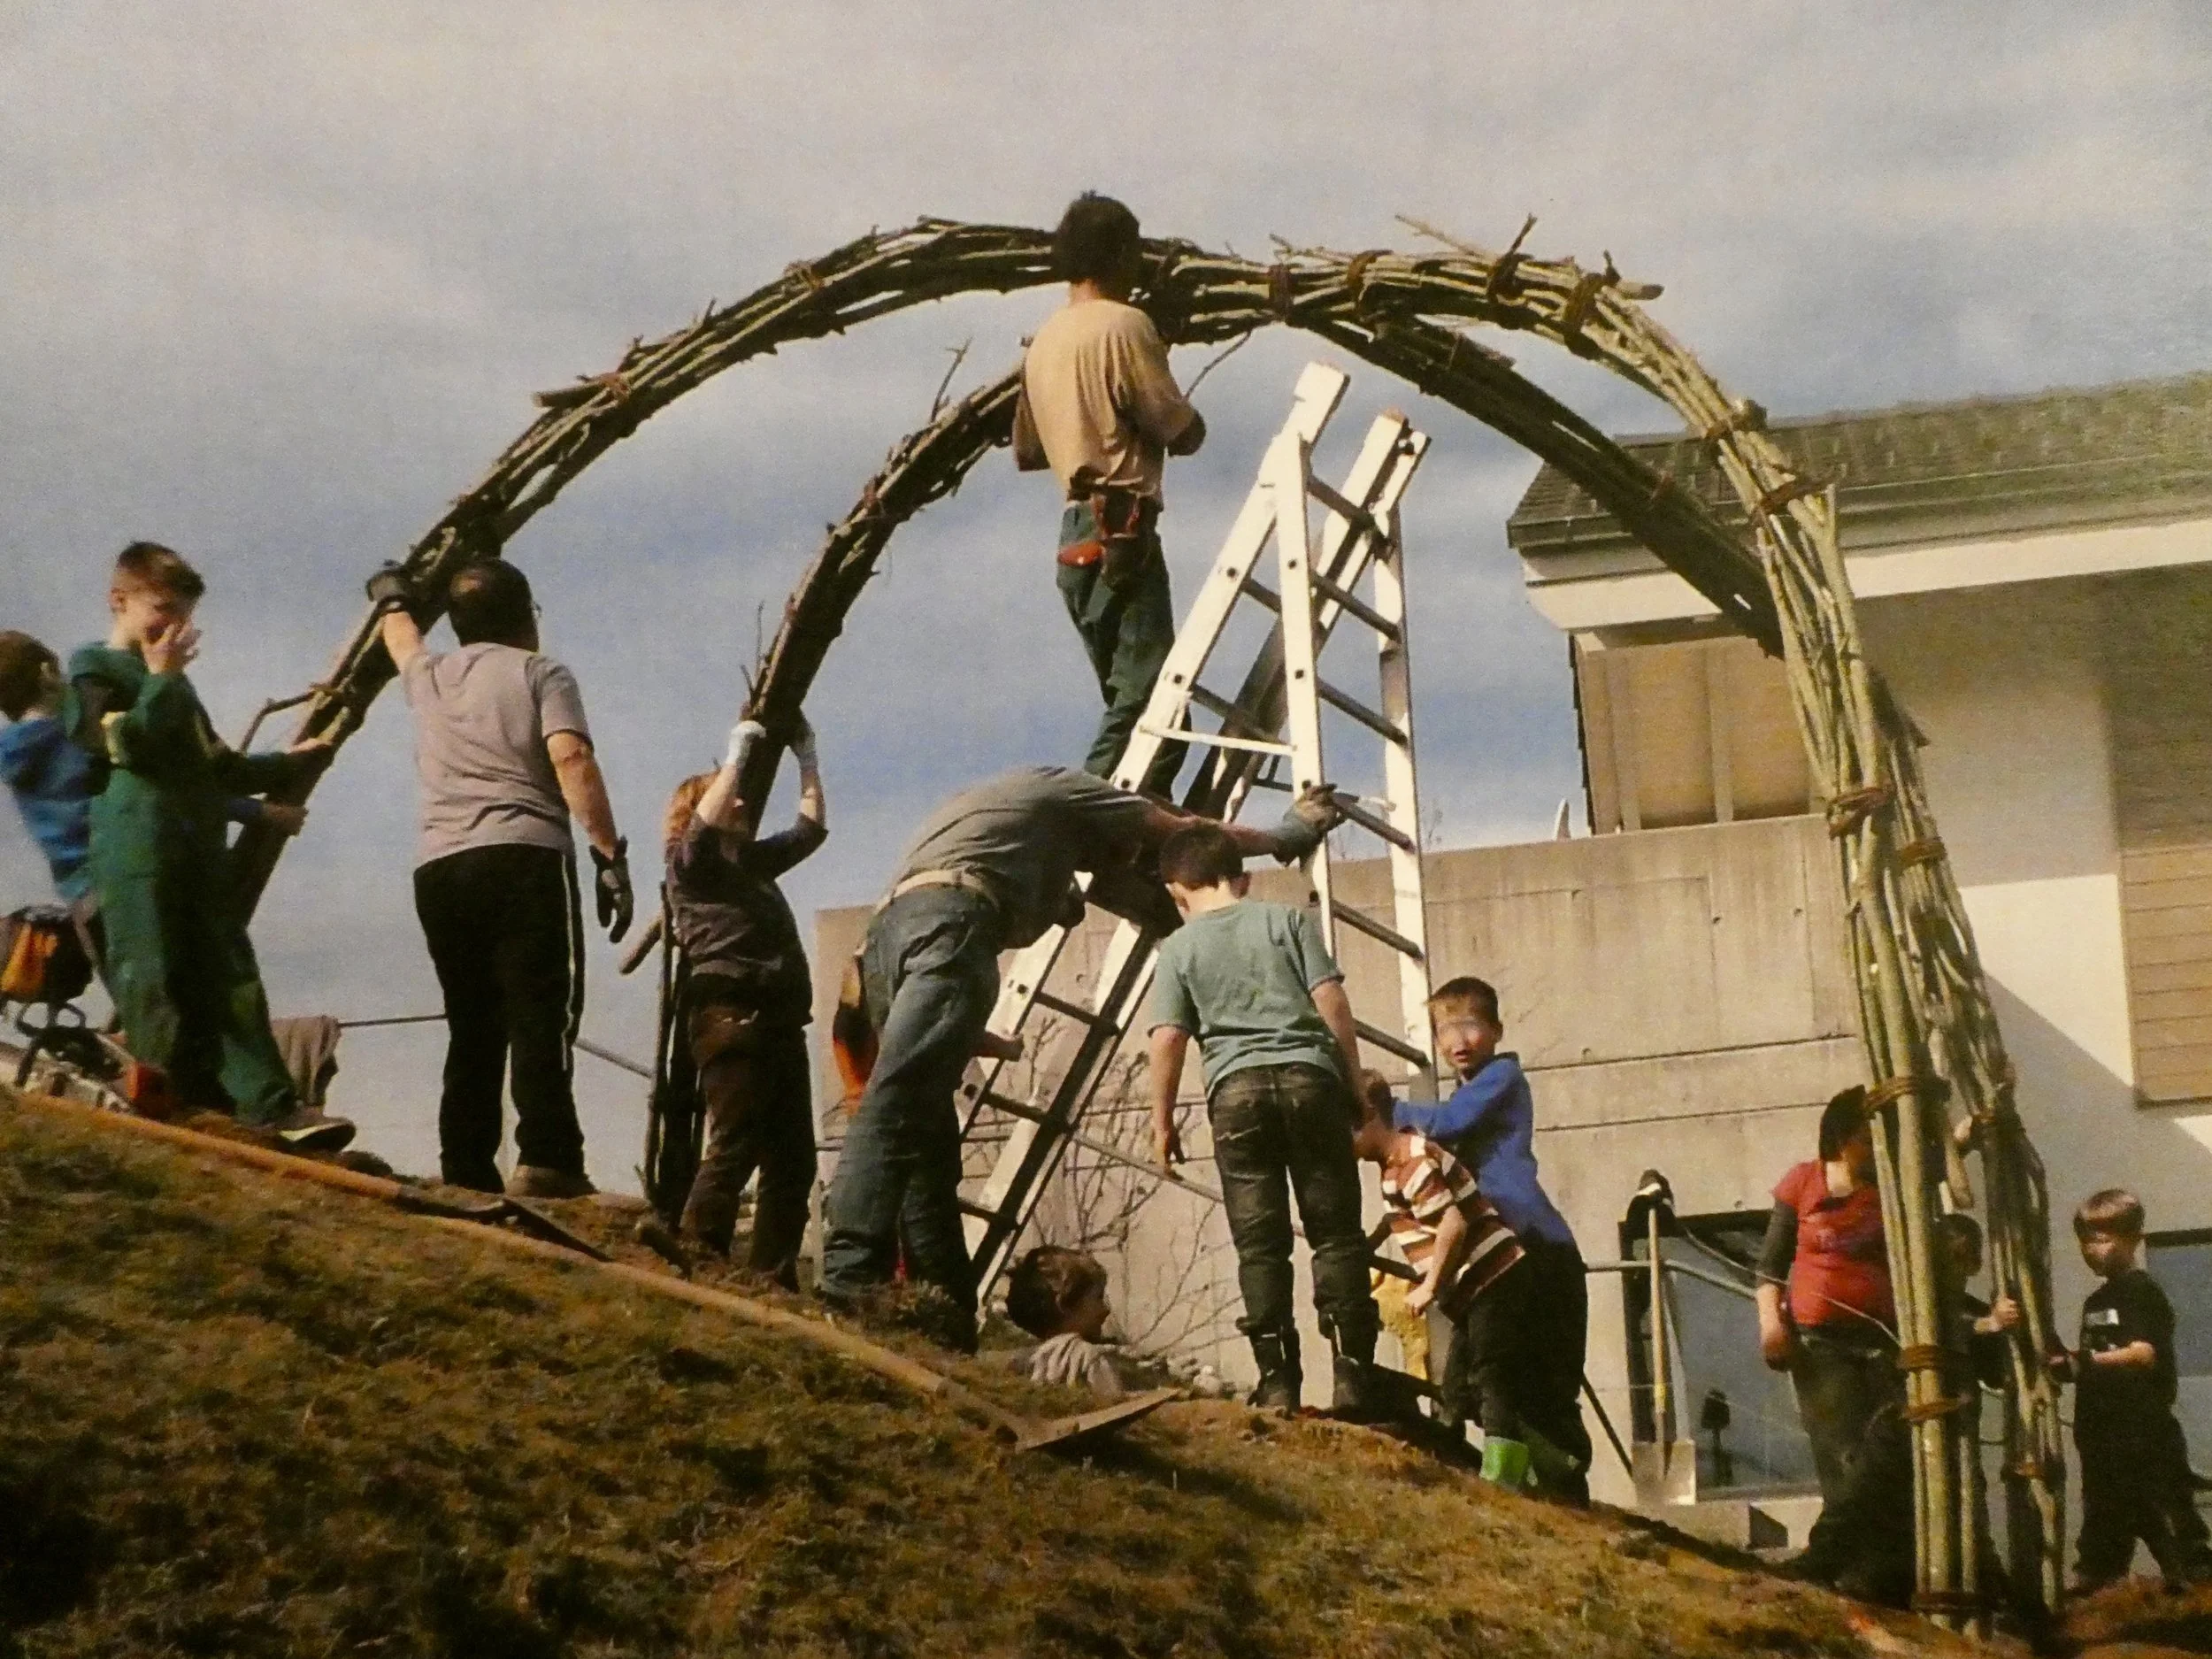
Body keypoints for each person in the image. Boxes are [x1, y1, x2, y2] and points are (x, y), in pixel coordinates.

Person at [819, 764, 1340, 1349]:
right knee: (895, 1106)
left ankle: (945, 1323)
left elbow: (932, 988)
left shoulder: (1004, 820)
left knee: (925, 1143)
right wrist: (1285, 835)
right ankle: (848, 1275)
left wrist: (989, 1037)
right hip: (952, 921)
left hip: (887, 938)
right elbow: (1190, 833)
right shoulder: (1072, 789)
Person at [61, 543, 350, 1149]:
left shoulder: (175, 688)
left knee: (230, 975)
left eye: (183, 614)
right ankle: (170, 1105)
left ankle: (270, 1107)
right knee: (157, 976)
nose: (175, 628)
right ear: (121, 601)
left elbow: (218, 766)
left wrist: (288, 761)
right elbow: (128, 745)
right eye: (162, 608)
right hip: (141, 852)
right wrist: (164, 678)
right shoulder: (93, 673)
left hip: (197, 850)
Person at [371, 557, 632, 1198]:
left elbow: (400, 636)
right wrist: (608, 854)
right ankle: (548, 1156)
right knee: (540, 1012)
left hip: (440, 867)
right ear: (526, 615)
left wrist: (390, 595)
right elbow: (570, 756)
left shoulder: (430, 676)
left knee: (472, 1020)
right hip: (524, 856)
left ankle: (466, 1162)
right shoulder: (541, 672)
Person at [1145, 819, 1381, 1416]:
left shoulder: (1176, 949)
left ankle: (1278, 1380)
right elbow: (1332, 1001)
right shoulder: (1286, 921)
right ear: (1241, 877)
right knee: (1336, 1233)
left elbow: (1168, 1037)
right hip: (1311, 1080)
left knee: (1261, 1244)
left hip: (1236, 1092)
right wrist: (1353, 1082)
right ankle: (1354, 1375)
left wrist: (1162, 1120)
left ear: (1178, 892)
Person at [1012, 192, 1206, 798]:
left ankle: (1138, 819)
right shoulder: (1126, 327)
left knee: (1148, 711)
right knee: (1152, 696)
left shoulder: (1041, 343)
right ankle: (1079, 811)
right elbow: (1179, 428)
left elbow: (1025, 448)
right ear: (1117, 253)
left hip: (1074, 538)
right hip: (1122, 530)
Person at [1397, 977, 1593, 1500]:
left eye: (1471, 1025)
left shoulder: (1502, 1077)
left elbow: (1447, 1122)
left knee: (1539, 1380)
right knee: (1483, 1380)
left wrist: (1383, 1111)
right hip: (1504, 1256)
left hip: (1536, 1247)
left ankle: (1560, 1468)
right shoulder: (1471, 1089)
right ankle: (1537, 1468)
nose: (1458, 1040)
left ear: (1496, 1030)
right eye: (1445, 1030)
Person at [3, 629, 306, 962]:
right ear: (47, 673)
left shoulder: (15, 755)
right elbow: (150, 799)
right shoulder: (78, 741)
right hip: (131, 883)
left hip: (84, 901)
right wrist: (259, 811)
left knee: (145, 1008)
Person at [659, 710, 826, 1285]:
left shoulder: (751, 865)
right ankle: (699, 1251)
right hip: (732, 1015)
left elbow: (809, 831)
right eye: (727, 794)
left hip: (778, 1022)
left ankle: (771, 1274)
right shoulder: (691, 866)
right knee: (733, 1145)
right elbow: (701, 830)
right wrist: (735, 755)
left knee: (793, 1161)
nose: (741, 800)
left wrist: (808, 759)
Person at [1755, 1085, 1912, 1603]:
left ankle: (1859, 1565)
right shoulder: (1804, 1182)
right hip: (1820, 1344)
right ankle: (1845, 1568)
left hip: (1882, 1341)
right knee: (1840, 1454)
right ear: (1845, 1138)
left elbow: (1935, 1162)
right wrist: (1771, 1326)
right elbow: (1770, 1264)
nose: (1878, 1147)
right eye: (1870, 1137)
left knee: (1883, 1455)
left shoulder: (1890, 1186)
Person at [1350, 1071, 1533, 1481]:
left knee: (1489, 1372)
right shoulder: (1396, 1164)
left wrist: (1429, 1286)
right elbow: (1405, 1213)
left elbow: (1453, 1223)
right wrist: (1374, 1242)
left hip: (1492, 1277)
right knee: (1456, 1387)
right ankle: (1457, 1455)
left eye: (1348, 1125)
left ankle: (1507, 1473)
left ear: (1369, 1115)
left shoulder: (1412, 1160)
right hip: (1473, 1287)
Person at [2055, 1188, 2212, 1592]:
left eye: (2103, 1239)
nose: (2092, 1250)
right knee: (2104, 1519)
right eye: (2085, 1240)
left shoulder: (2140, 1291)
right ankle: (2097, 1584)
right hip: (2102, 1431)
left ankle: (2196, 1587)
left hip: (2143, 1431)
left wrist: (2083, 1363)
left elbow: (2143, 1354)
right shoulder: (2096, 1300)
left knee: (2168, 1515)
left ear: (2134, 1239)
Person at [1001, 1244, 1149, 1401]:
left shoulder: (1022, 1361)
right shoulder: (1087, 1357)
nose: (1105, 1309)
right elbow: (1114, 1407)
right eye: (1098, 1297)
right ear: (1065, 1304)